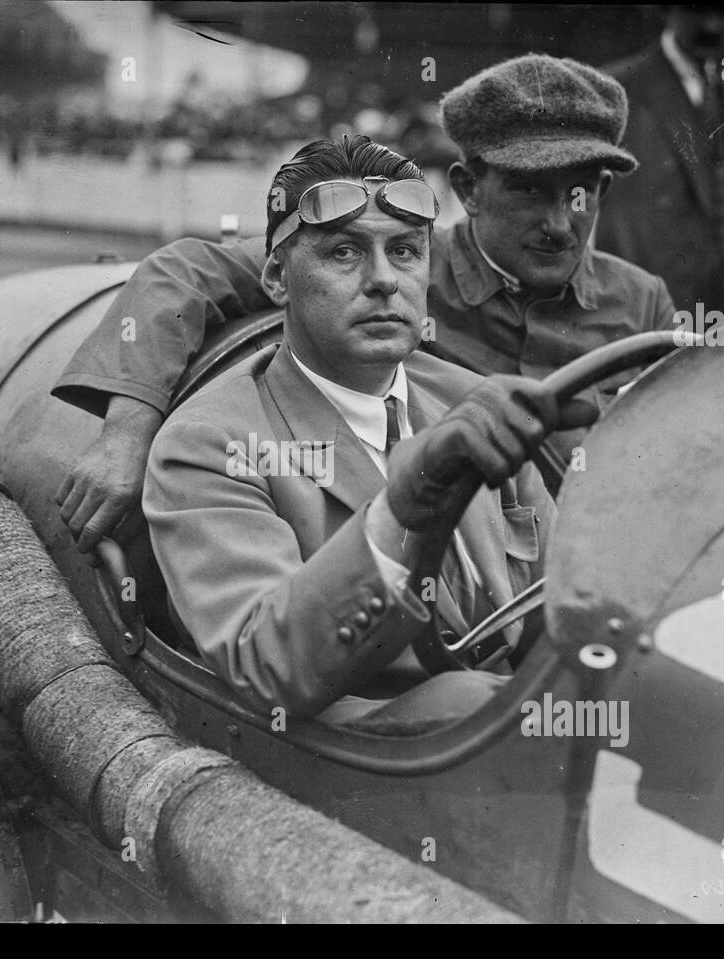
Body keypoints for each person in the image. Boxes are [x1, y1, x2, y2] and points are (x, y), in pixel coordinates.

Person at [54, 54, 674, 554]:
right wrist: (127, 432)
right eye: (529, 189)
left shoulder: (642, 304)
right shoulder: (398, 260)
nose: (560, 223)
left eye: (581, 191)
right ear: (467, 190)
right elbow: (181, 273)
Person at [140, 136, 597, 728]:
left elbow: (559, 606)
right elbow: (266, 666)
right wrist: (403, 507)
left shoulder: (469, 399)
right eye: (345, 253)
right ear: (277, 277)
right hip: (363, 773)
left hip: (516, 742)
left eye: (405, 251)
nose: (384, 280)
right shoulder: (209, 445)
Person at [595, 6, 724, 315]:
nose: (711, 24)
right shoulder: (618, 89)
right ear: (669, 10)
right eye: (697, 9)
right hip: (653, 304)